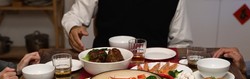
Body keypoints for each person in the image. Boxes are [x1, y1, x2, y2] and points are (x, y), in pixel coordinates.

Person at [62, 0, 192, 52]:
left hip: (153, 70)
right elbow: (74, 16)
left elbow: (181, 43)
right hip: (105, 65)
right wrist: (73, 28)